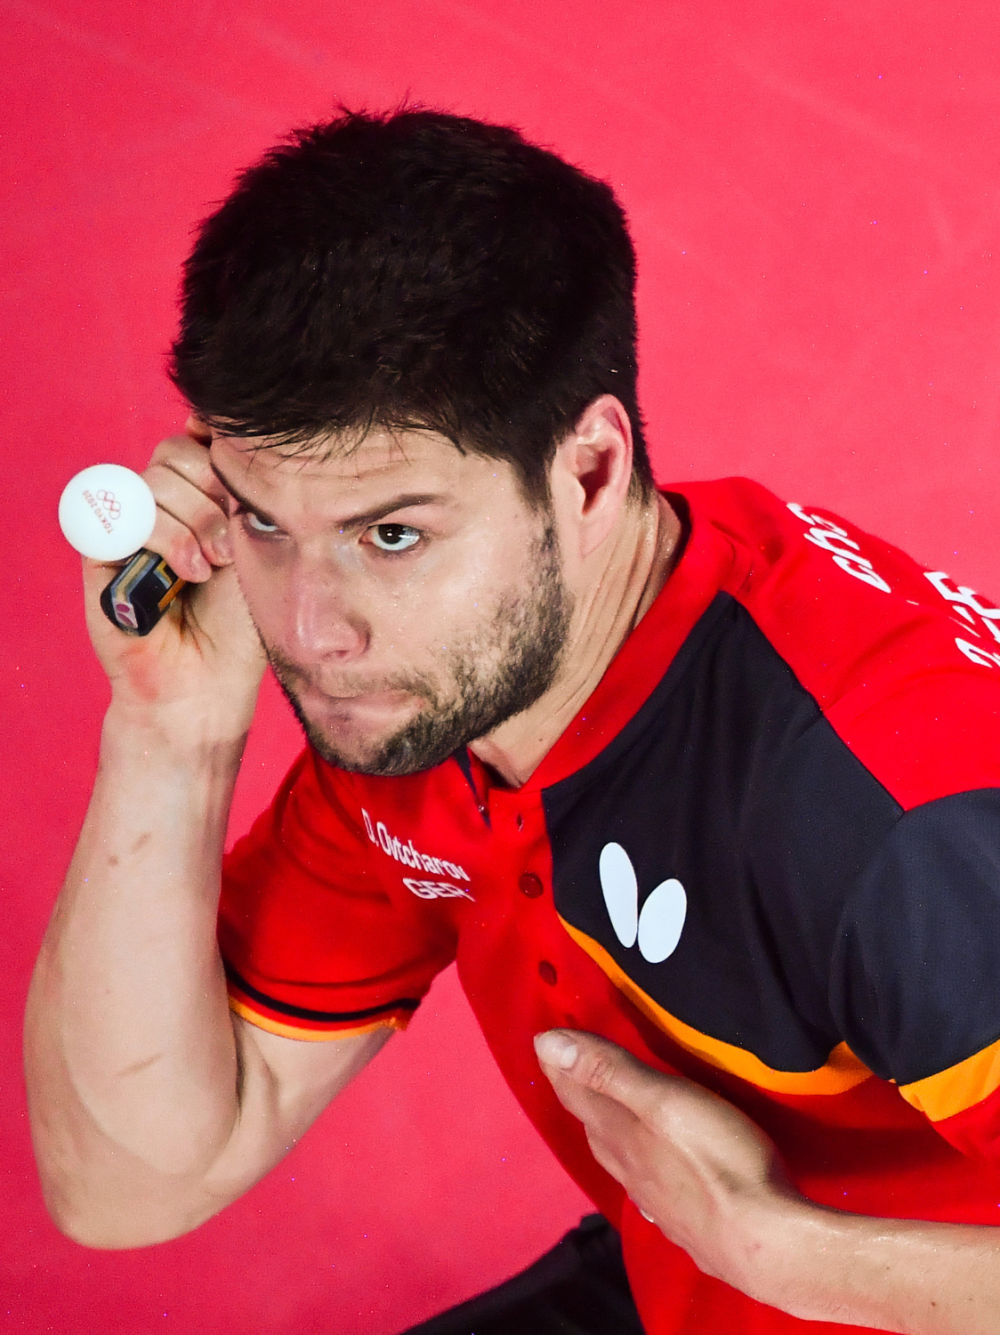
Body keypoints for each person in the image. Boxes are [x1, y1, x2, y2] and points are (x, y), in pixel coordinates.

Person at [24, 107, 1000, 1335]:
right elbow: (128, 1184)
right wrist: (169, 730)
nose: (311, 630)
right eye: (264, 521)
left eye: (391, 534)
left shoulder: (889, 816)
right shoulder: (430, 702)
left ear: (588, 472)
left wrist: (776, 1251)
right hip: (685, 1281)